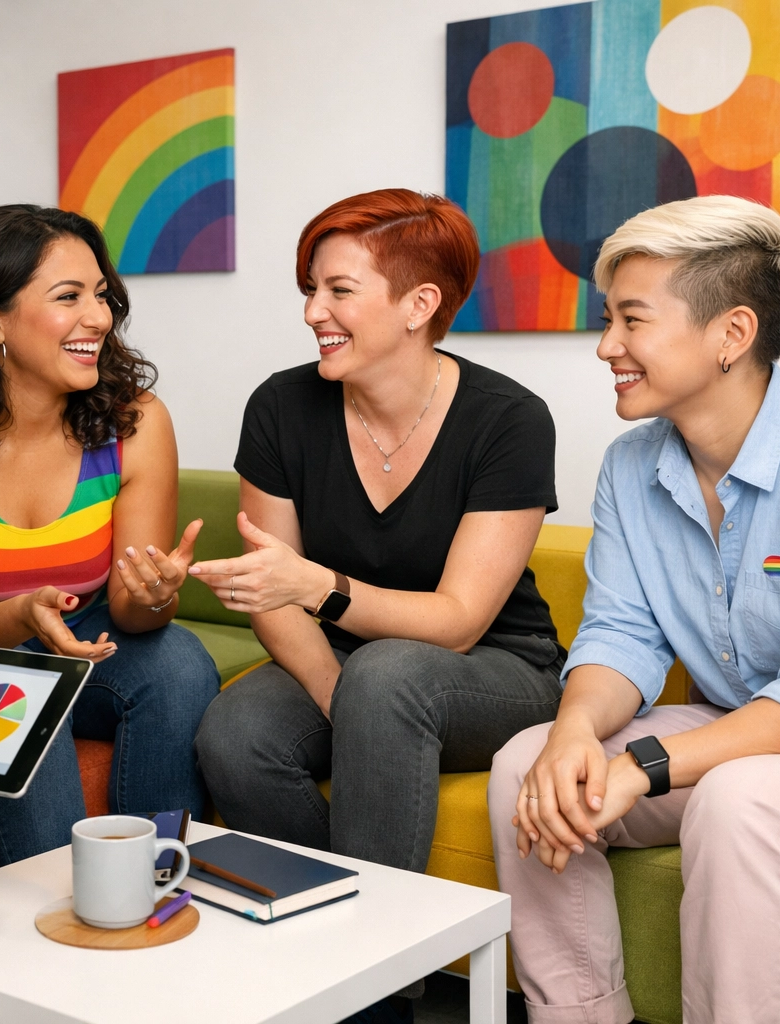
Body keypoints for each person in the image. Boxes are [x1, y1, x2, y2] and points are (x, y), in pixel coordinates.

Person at [488, 195, 780, 1024]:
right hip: (742, 723)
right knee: (529, 768)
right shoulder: (633, 466)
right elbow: (622, 634)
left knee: (745, 802)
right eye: (608, 319)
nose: (607, 347)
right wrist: (570, 736)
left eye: (633, 320)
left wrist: (646, 766)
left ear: (731, 334)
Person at [191, 188, 564, 869]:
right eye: (310, 289)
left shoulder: (508, 420)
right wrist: (338, 690)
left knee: (388, 677)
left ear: (418, 306)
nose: (312, 313)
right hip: (349, 661)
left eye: (339, 290)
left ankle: (387, 972)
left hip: (496, 667)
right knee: (235, 732)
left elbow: (459, 622)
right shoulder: (280, 406)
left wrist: (320, 589)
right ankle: (323, 935)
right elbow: (274, 593)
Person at [0, 204, 220, 865]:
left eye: (103, 295)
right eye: (68, 297)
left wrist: (156, 594)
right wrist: (23, 616)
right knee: (21, 688)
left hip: (76, 636)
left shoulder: (135, 421)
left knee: (179, 664)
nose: (100, 317)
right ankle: (62, 917)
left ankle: (159, 877)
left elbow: (135, 617)